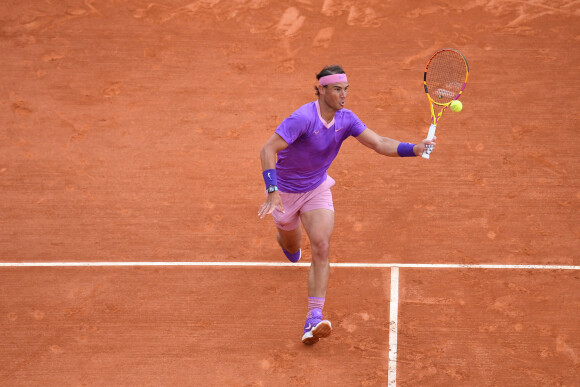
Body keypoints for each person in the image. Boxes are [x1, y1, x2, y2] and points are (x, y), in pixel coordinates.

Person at [258, 65, 435, 345]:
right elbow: (267, 149)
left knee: (321, 246)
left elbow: (379, 143)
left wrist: (414, 148)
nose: (344, 95)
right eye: (338, 89)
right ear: (321, 89)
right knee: (292, 245)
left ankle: (313, 317)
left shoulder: (347, 119)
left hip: (316, 189)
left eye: (346, 89)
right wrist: (272, 191)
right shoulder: (302, 118)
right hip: (285, 194)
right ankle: (286, 241)